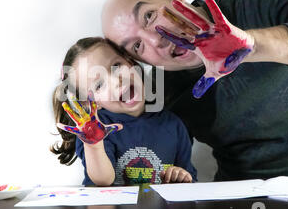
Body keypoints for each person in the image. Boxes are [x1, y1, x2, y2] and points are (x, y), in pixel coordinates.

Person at [101, 0, 288, 181]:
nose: (156, 41)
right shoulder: (164, 93)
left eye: (149, 16)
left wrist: (251, 46)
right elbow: (150, 163)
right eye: (137, 46)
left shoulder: (255, 5)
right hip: (251, 200)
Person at [51, 37, 197, 186]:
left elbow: (188, 180)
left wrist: (180, 177)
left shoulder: (173, 124)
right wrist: (94, 145)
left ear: (131, 62)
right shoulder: (96, 131)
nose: (116, 81)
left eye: (116, 66)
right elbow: (103, 180)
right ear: (91, 103)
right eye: (99, 85)